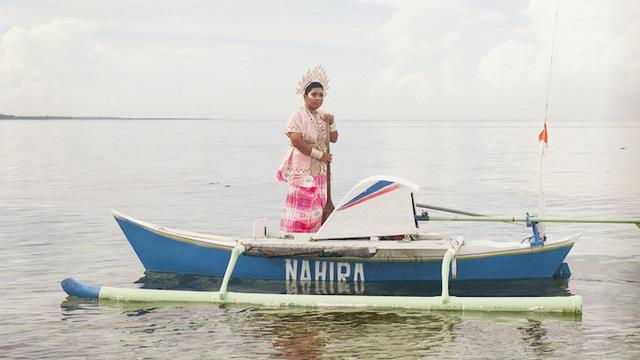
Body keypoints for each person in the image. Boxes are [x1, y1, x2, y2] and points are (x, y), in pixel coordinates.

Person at [277, 66, 338, 234]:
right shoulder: (297, 115)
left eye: (321, 95)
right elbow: (296, 141)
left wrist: (331, 122)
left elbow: (334, 139)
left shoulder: (323, 115)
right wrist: (320, 155)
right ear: (305, 95)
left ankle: (315, 236)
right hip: (303, 166)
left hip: (320, 167)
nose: (318, 98)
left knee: (319, 203)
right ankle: (293, 237)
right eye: (314, 94)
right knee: (302, 202)